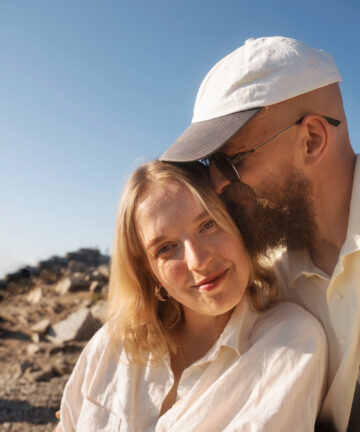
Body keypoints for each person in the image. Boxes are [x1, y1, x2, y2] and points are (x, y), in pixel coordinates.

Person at [160, 36, 359, 432]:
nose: (214, 184)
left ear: (312, 140)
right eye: (208, 162)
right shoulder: (254, 271)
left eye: (230, 160)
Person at [56, 160, 327, 431]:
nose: (197, 261)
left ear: (240, 225)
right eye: (166, 248)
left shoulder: (293, 341)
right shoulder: (113, 343)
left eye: (208, 225)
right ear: (149, 272)